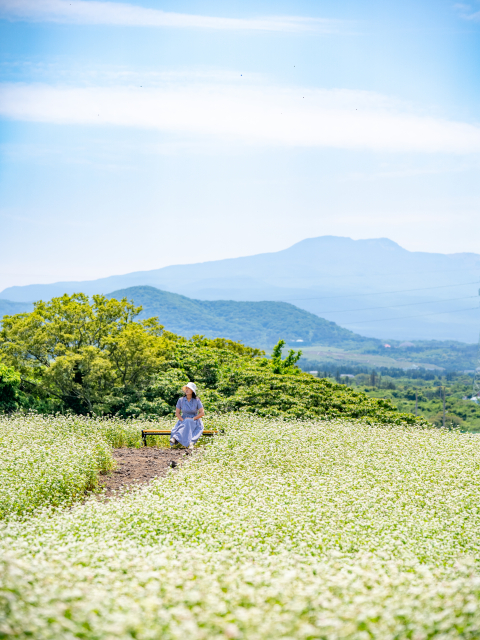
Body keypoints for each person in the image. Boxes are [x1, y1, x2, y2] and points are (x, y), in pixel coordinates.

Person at [170, 382, 205, 450]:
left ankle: (175, 437)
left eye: (189, 388)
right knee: (187, 422)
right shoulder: (181, 400)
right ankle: (190, 443)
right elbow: (177, 413)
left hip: (194, 420)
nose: (187, 389)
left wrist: (193, 418)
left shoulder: (197, 400)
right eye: (186, 388)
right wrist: (183, 421)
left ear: (192, 391)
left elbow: (202, 413)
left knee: (189, 421)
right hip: (183, 420)